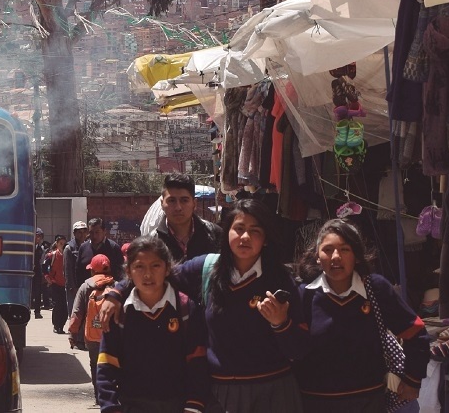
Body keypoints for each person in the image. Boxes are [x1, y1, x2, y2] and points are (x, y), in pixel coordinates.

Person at [101, 199, 309, 413]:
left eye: (255, 231)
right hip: (220, 395)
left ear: (265, 239)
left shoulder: (280, 279)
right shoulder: (206, 268)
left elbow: (299, 349)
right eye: (238, 228)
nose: (245, 237)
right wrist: (117, 293)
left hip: (272, 393)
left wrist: (280, 323)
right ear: (227, 232)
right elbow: (157, 274)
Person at [294, 218, 430, 413]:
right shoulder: (304, 295)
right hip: (315, 402)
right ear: (317, 257)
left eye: (345, 249)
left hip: (368, 402)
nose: (336, 257)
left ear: (357, 256)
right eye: (328, 250)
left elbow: (416, 332)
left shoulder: (376, 289)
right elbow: (293, 347)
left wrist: (413, 380)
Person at [95, 237, 209, 412]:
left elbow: (197, 364)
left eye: (155, 265)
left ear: (167, 268)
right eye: (139, 267)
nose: (147, 274)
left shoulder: (186, 308)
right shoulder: (119, 313)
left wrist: (193, 406)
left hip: (177, 405)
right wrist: (110, 406)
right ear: (129, 271)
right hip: (132, 404)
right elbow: (107, 365)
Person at [68, 253, 116, 405]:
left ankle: (99, 397)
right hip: (111, 335)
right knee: (112, 365)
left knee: (95, 365)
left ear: (92, 271)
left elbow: (77, 313)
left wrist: (73, 334)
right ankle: (113, 397)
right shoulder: (116, 286)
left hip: (92, 336)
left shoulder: (85, 286)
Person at [149, 173, 222, 263]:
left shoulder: (215, 234)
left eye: (184, 200)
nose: (178, 207)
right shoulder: (153, 242)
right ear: (162, 204)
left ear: (194, 204)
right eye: (171, 201)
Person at [76, 218, 124, 288]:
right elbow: (78, 270)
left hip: (109, 292)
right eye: (91, 232)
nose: (94, 236)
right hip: (88, 291)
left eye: (97, 232)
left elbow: (121, 272)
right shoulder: (83, 248)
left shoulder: (113, 248)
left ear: (104, 231)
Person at [65, 220, 89, 349]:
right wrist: (71, 287)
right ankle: (73, 339)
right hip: (73, 287)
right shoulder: (69, 248)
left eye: (84, 232)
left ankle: (82, 339)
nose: (82, 234)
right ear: (74, 233)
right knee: (74, 314)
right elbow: (67, 270)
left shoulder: (87, 247)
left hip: (83, 285)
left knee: (85, 313)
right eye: (79, 232)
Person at [45, 234, 68, 334]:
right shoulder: (52, 255)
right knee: (58, 305)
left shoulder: (69, 255)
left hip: (66, 285)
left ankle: (61, 326)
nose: (62, 245)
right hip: (56, 284)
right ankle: (56, 325)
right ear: (57, 244)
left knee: (65, 307)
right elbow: (44, 267)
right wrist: (48, 278)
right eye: (60, 244)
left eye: (64, 243)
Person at [32, 228, 45, 319]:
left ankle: (37, 311)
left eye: (40, 236)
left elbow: (41, 261)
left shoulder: (41, 248)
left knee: (37, 292)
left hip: (37, 271)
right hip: (29, 270)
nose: (38, 238)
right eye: (37, 236)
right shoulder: (29, 246)